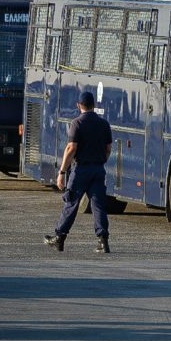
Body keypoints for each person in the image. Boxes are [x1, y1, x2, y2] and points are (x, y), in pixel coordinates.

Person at [44, 91, 113, 253]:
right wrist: (102, 160)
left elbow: (71, 148)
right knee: (98, 205)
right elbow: (108, 148)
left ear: (78, 105)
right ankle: (103, 241)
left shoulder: (77, 123)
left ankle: (59, 238)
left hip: (81, 169)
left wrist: (62, 171)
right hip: (98, 169)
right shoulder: (104, 124)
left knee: (71, 203)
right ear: (94, 105)